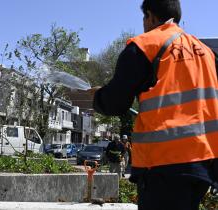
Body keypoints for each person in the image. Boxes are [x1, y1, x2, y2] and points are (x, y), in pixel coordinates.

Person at [89, 0, 218, 209]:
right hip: (204, 164)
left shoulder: (144, 46)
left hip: (163, 165)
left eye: (144, 19)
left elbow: (115, 103)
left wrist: (98, 96)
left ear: (150, 16)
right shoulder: (207, 52)